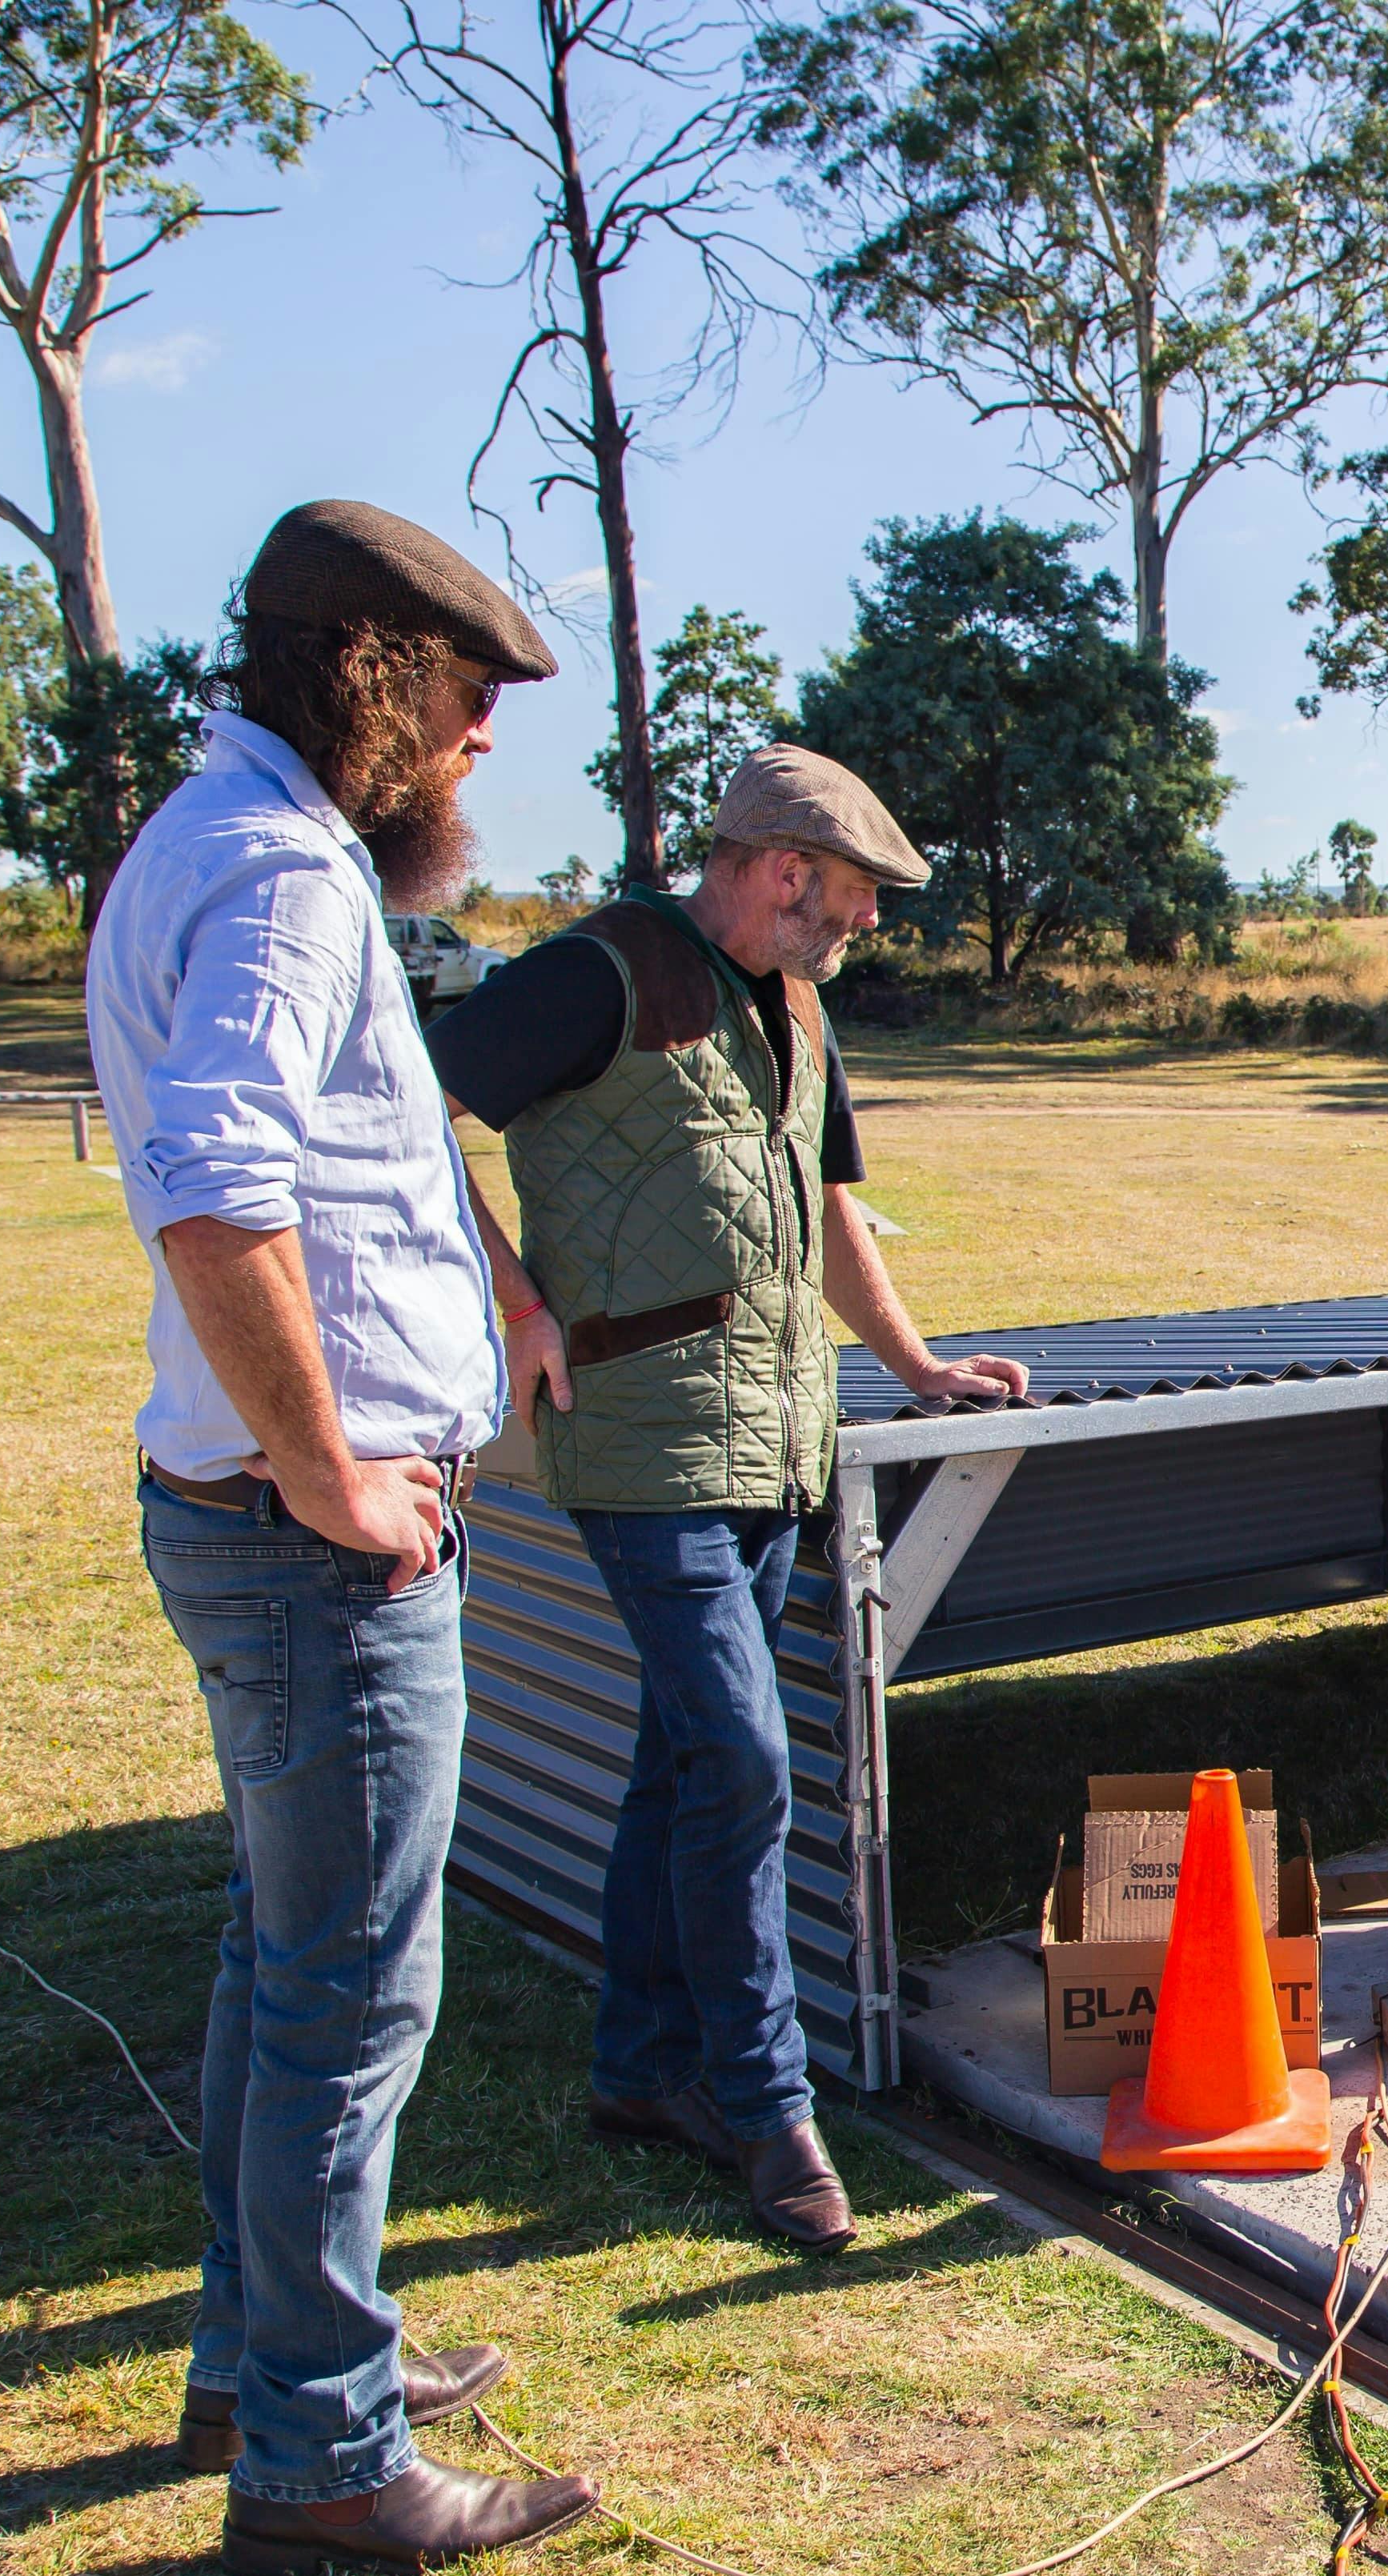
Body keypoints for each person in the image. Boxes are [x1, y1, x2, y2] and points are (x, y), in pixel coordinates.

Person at [87, 499, 599, 2576]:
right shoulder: (291, 875)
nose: (482, 749)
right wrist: (328, 1470)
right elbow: (216, 1186)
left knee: (276, 1959)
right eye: (471, 707)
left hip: (239, 1518)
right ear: (383, 679)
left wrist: (487, 1290)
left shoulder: (213, 838)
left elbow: (325, 1164)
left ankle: (261, 2341)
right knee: (352, 1999)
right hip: (314, 1546)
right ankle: (319, 2446)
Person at [426, 747, 1029, 2249]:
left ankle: (637, 2069)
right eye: (854, 896)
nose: (866, 926)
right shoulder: (599, 973)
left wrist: (913, 1358)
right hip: (638, 1441)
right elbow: (409, 1115)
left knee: (682, 1767)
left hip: (776, 1438)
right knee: (746, 1759)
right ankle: (766, 2109)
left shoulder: (802, 1009)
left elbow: (823, 1203)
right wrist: (512, 1301)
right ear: (777, 868)